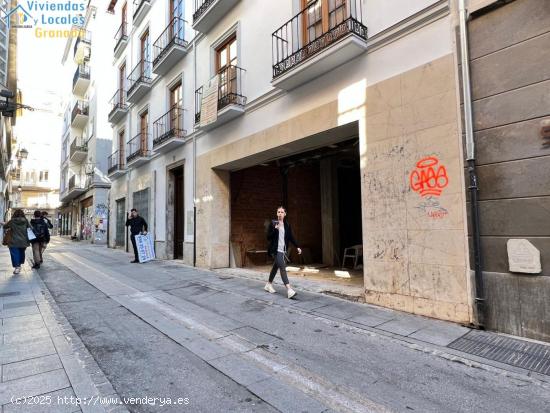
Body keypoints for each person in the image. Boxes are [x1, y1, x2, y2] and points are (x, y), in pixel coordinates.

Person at [265, 206, 302, 299]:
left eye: (282, 212)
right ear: (276, 213)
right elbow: (268, 237)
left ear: (285, 214)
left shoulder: (287, 225)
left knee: (275, 267)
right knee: (282, 267)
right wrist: (275, 230)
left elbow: (291, 237)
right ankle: (289, 290)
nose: (280, 214)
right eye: (278, 212)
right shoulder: (273, 223)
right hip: (275, 250)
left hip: (282, 250)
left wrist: (297, 246)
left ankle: (268, 285)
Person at [1, 209, 31, 274]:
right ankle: (19, 265)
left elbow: (5, 227)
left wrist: (4, 224)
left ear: (15, 214)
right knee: (21, 252)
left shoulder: (12, 221)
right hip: (24, 241)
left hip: (13, 241)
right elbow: (30, 228)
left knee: (14, 254)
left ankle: (17, 267)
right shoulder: (26, 221)